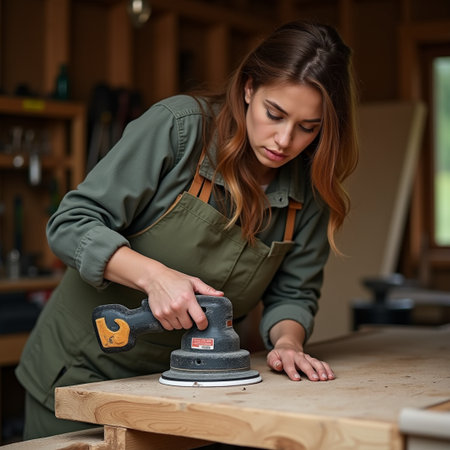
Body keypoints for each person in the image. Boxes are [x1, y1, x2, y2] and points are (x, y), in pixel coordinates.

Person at [16, 20, 358, 439]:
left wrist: (287, 343)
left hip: (193, 391)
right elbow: (70, 224)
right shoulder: (180, 129)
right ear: (249, 88)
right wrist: (154, 277)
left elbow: (293, 294)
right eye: (275, 114)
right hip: (83, 375)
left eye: (309, 127)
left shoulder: (310, 188)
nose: (284, 140)